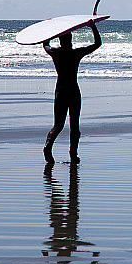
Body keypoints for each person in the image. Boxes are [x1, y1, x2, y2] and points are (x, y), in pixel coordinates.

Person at [42, 21, 101, 164]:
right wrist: (93, 27)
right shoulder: (76, 53)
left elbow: (45, 45)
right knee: (75, 126)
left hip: (60, 91)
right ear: (71, 40)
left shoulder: (56, 53)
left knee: (58, 125)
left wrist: (49, 32)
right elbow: (97, 43)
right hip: (73, 91)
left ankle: (48, 147)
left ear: (60, 40)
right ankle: (73, 155)